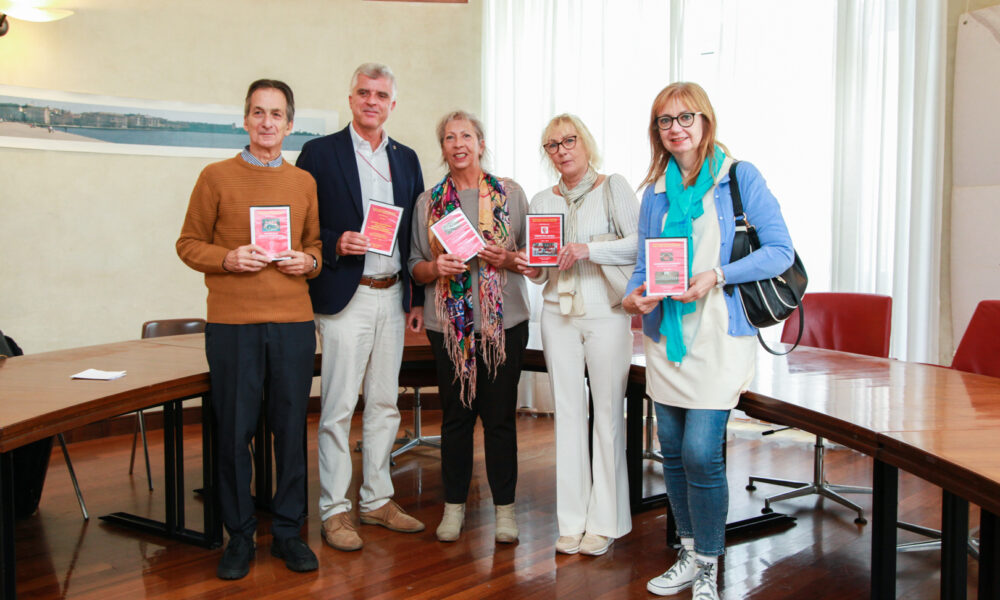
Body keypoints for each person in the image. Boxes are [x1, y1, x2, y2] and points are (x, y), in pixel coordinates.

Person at [623, 82, 794, 599]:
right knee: (671, 451)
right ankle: (689, 551)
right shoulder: (653, 191)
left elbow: (781, 252)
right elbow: (642, 266)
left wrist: (717, 274)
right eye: (664, 120)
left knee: (701, 452)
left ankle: (709, 566)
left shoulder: (738, 177)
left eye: (684, 117)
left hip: (720, 332)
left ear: (705, 121)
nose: (675, 128)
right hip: (666, 335)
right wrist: (635, 297)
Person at [176, 79, 322, 580]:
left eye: (276, 114)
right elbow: (188, 243)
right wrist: (226, 256)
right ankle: (238, 536)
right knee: (234, 434)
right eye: (258, 112)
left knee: (289, 432)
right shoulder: (215, 177)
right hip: (233, 324)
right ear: (245, 120)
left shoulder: (303, 183)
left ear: (289, 124)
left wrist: (309, 260)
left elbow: (316, 247)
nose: (266, 122)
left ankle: (288, 533)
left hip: (293, 324)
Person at [295, 63, 426, 552]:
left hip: (393, 294)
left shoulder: (406, 158)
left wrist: (416, 298)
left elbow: (416, 233)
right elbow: (299, 223)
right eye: (364, 93)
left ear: (393, 104)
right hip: (343, 297)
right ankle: (334, 510)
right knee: (338, 407)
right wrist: (335, 242)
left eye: (382, 95)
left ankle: (376, 499)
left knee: (385, 404)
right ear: (351, 99)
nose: (372, 101)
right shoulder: (319, 153)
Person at [514, 114, 638, 556]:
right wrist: (533, 267)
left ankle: (604, 521)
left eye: (569, 141)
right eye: (552, 145)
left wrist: (590, 249)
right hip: (556, 313)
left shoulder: (613, 186)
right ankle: (572, 522)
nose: (562, 149)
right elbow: (544, 266)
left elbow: (641, 243)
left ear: (585, 143)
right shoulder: (542, 200)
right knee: (567, 415)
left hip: (606, 311)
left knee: (606, 415)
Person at [409, 110, 530, 544]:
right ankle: (454, 508)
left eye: (466, 135)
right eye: (448, 137)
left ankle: (505, 512)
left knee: (499, 421)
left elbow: (531, 261)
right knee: (456, 420)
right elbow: (415, 267)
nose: (458, 144)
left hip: (505, 326)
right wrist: (434, 266)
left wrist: (507, 258)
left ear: (481, 142)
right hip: (450, 328)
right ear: (442, 148)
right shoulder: (427, 202)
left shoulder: (511, 194)